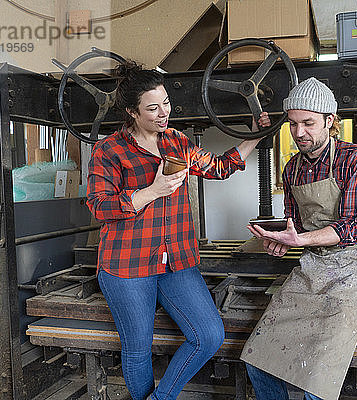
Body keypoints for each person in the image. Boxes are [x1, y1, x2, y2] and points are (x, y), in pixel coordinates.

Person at [86, 61, 269, 400]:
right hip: (127, 266)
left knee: (209, 335)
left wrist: (256, 135)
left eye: (166, 103)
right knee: (138, 350)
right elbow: (99, 205)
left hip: (175, 263)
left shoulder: (177, 142)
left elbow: (219, 167)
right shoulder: (110, 150)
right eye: (152, 108)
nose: (163, 113)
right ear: (132, 112)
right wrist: (151, 192)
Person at [241, 77, 357, 400]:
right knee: (257, 359)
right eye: (292, 124)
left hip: (354, 265)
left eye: (308, 123)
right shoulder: (291, 169)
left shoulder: (356, 159)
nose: (299, 132)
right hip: (314, 263)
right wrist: (281, 242)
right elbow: (298, 229)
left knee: (316, 381)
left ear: (329, 121)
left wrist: (300, 241)